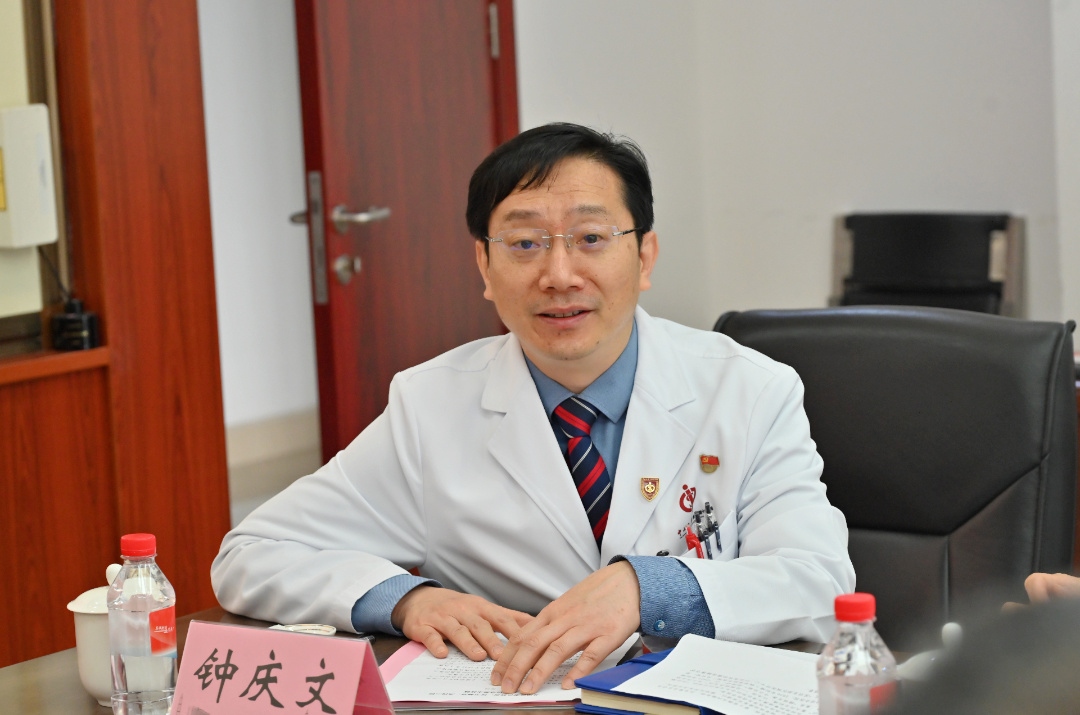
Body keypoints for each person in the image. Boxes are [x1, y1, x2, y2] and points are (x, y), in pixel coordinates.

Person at [211, 122, 855, 694]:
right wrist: (405, 599)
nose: (559, 274)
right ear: (484, 266)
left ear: (644, 256)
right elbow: (253, 553)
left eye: (591, 237)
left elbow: (821, 580)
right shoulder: (430, 405)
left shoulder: (749, 390)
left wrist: (649, 590)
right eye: (524, 244)